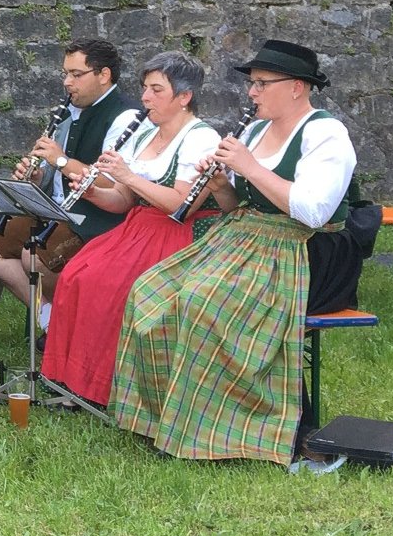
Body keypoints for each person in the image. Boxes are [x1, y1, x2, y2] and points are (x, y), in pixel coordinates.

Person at [109, 40, 356, 465]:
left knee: (202, 303)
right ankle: (166, 418)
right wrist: (222, 185)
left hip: (304, 249)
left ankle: (242, 428)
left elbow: (313, 212)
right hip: (244, 237)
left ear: (297, 87)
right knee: (150, 291)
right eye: (252, 84)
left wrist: (250, 168)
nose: (251, 93)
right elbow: (236, 207)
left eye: (261, 84)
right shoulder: (257, 130)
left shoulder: (325, 133)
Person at [43, 51, 220, 408]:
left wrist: (126, 175)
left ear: (184, 97)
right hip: (139, 226)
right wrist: (93, 190)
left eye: (157, 90)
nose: (145, 97)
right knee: (78, 273)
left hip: (180, 234)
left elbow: (180, 205)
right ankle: (75, 380)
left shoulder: (201, 138)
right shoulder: (143, 134)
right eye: (144, 88)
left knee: (111, 285)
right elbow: (123, 200)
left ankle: (109, 388)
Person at [0, 39, 142, 321]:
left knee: (34, 258)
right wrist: (39, 174)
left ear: (103, 75)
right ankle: (50, 318)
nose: (67, 82)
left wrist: (61, 161)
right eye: (66, 74)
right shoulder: (69, 110)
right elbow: (53, 172)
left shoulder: (126, 116)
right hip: (55, 209)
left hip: (97, 218)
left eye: (76, 75)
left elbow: (111, 183)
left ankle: (75, 321)